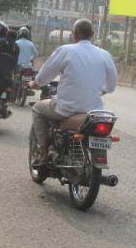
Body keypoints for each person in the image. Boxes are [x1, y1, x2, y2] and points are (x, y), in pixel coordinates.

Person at [29, 19, 117, 162]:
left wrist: (35, 84)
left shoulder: (65, 50)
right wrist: (98, 91)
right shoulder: (105, 54)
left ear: (74, 34)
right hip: (94, 112)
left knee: (38, 108)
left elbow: (45, 76)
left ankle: (43, 149)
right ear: (92, 35)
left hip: (66, 109)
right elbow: (111, 86)